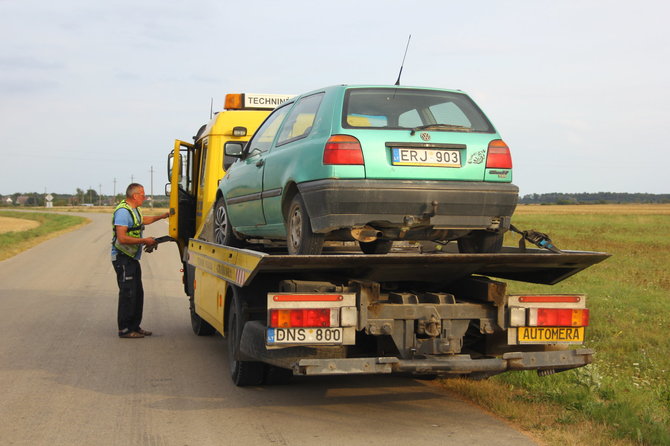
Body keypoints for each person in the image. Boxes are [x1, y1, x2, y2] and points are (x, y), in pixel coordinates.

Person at [111, 183, 169, 339]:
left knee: (137, 293)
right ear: (135, 195)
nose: (145, 197)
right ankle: (124, 329)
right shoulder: (123, 212)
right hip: (123, 258)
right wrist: (145, 241)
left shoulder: (134, 210)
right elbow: (122, 238)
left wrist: (162, 216)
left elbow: (144, 221)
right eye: (143, 195)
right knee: (128, 293)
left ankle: (134, 326)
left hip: (131, 258)